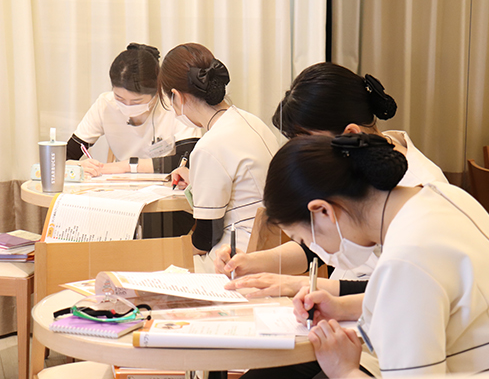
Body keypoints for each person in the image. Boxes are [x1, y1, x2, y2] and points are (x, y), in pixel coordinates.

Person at [264, 133, 489, 379]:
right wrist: (342, 307)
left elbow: (412, 284)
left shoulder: (408, 258)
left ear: (323, 211)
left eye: (305, 240)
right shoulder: (445, 196)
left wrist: (344, 371)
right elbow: (431, 298)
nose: (314, 249)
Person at [215, 62, 447, 293]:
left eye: (309, 143)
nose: (306, 155)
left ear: (350, 134)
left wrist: (309, 286)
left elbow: (405, 289)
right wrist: (251, 262)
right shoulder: (361, 159)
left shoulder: (422, 192)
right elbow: (319, 245)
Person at [159, 43, 279, 272]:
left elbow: (206, 238)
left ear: (177, 96)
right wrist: (196, 179)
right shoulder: (252, 121)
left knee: (161, 265)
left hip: (235, 258)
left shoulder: (209, 146)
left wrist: (174, 250)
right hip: (274, 249)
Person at [67, 43, 202, 176]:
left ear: (156, 92)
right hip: (121, 184)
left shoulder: (174, 105)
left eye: (136, 101)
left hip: (165, 183)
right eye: (119, 98)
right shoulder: (105, 105)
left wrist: (127, 166)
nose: (127, 106)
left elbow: (188, 160)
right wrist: (78, 165)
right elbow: (66, 154)